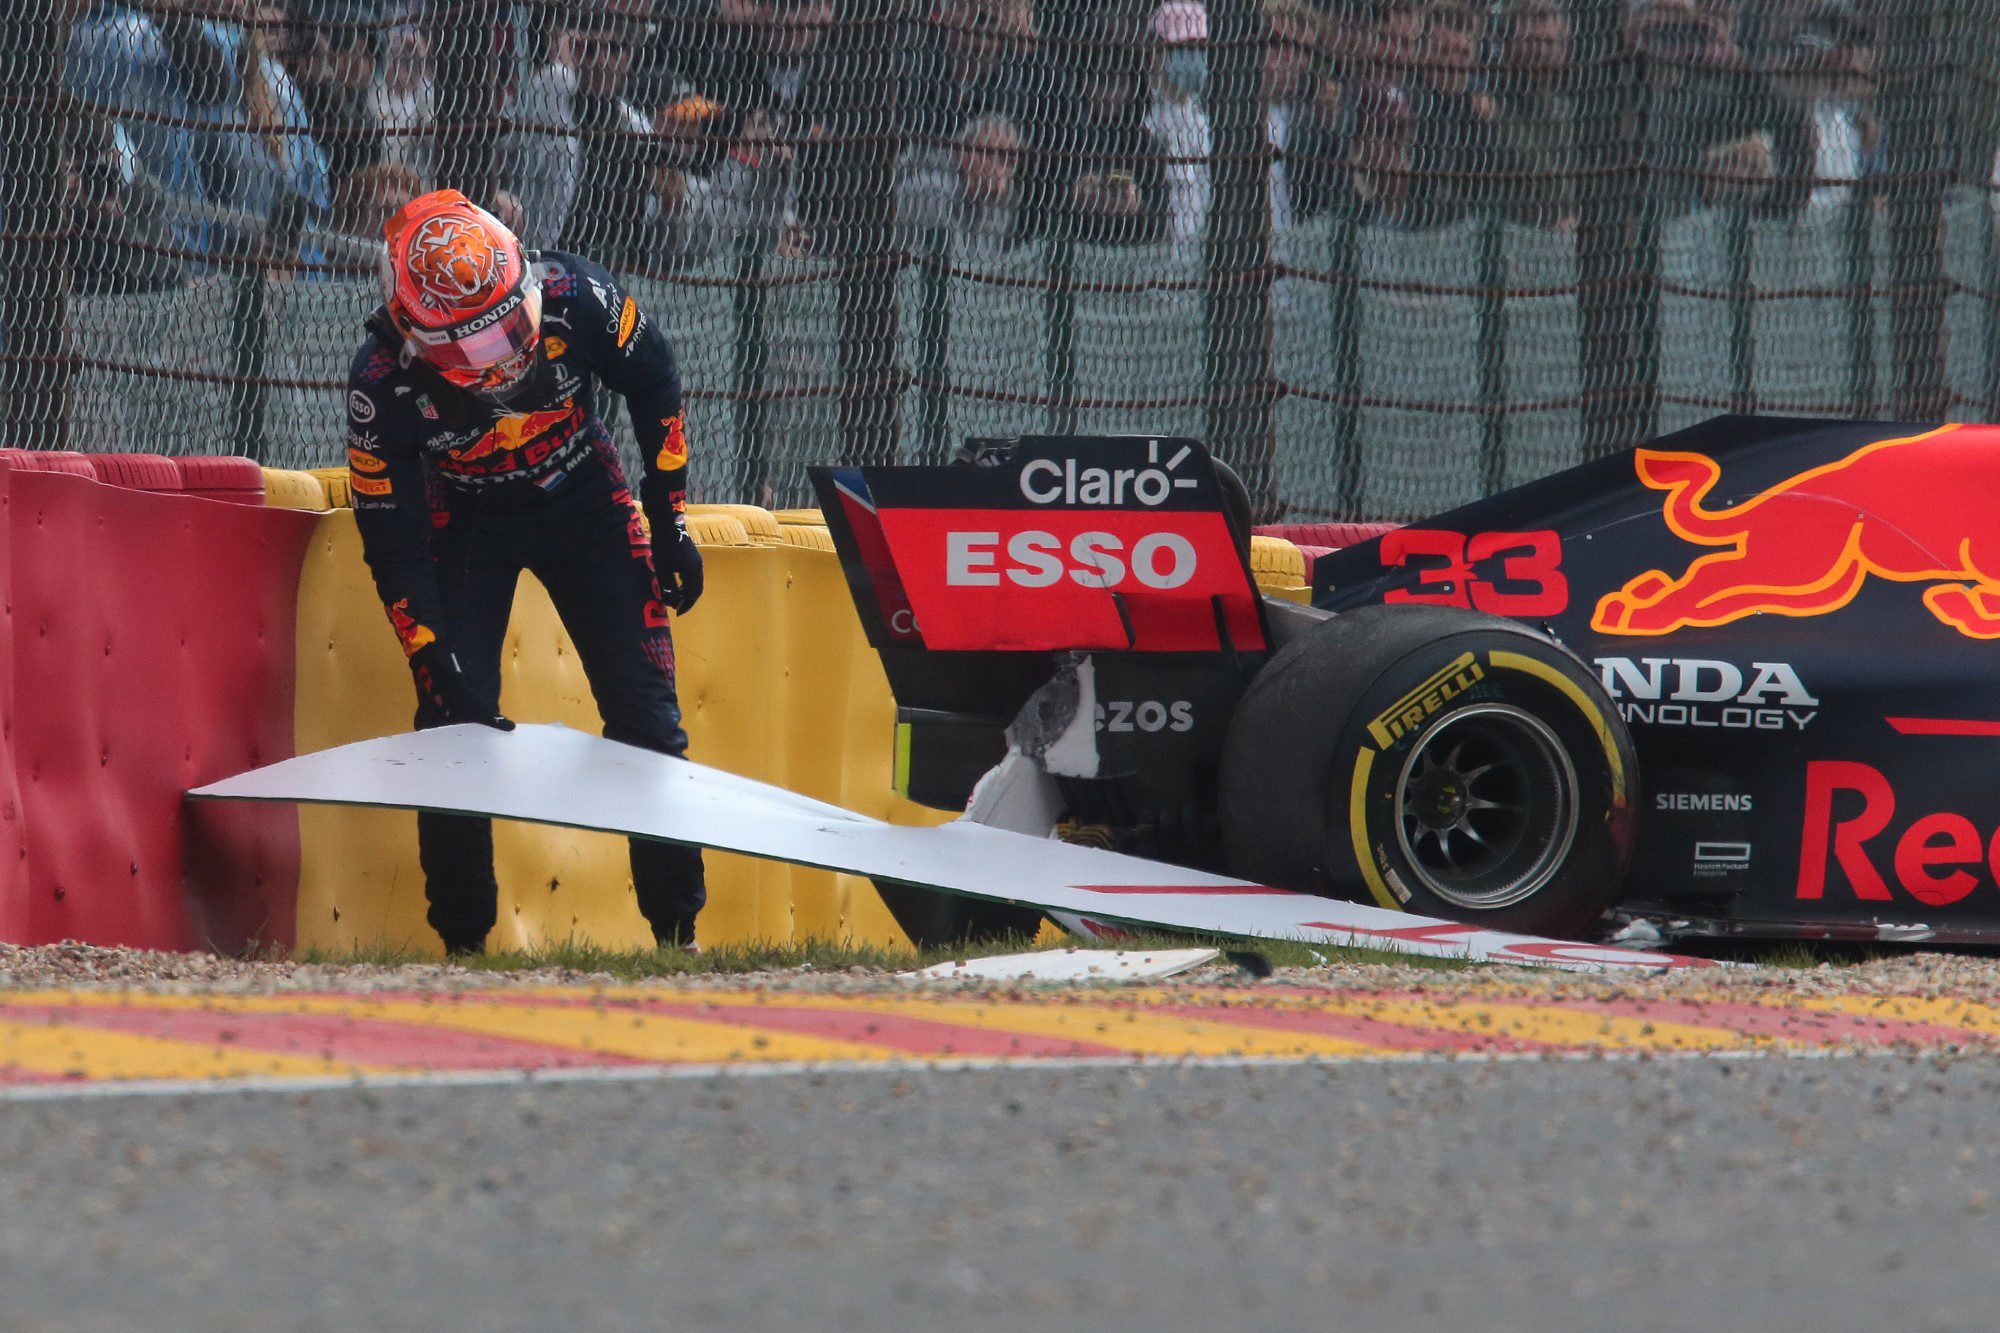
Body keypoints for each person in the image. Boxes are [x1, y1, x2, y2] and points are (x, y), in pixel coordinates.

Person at [344, 189, 708, 956]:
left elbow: (657, 375)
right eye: (472, 346)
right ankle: (463, 945)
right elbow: (391, 539)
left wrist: (670, 512)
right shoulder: (381, 381)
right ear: (412, 333)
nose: (503, 355)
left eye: (511, 323)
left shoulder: (579, 295)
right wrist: (425, 647)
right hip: (467, 521)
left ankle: (679, 936)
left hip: (588, 499)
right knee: (451, 720)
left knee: (647, 714)